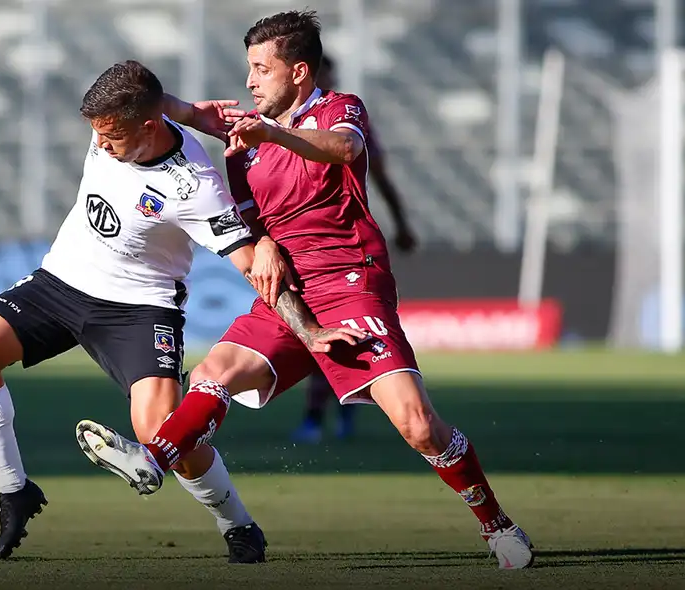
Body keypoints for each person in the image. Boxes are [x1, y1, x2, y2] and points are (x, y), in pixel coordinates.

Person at [73, 11, 534, 570]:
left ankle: (497, 525)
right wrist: (182, 110)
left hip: (351, 284)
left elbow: (342, 150)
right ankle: (151, 458)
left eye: (260, 69)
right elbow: (171, 110)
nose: (249, 82)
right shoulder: (242, 145)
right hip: (287, 294)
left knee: (417, 425)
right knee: (211, 374)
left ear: (297, 71)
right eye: (248, 69)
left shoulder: (340, 109)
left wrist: (273, 132)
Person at [0, 60, 358, 562]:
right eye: (96, 134)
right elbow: (150, 93)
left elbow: (251, 264)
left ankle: (238, 525)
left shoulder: (194, 185)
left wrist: (309, 329)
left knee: (161, 435)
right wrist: (190, 110)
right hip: (61, 282)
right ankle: (15, 491)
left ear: (146, 127)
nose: (100, 145)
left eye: (112, 137)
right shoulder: (122, 116)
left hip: (140, 308)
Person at [293, 53, 418, 445]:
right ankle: (321, 415)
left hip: (346, 250)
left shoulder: (346, 118)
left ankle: (336, 413)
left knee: (345, 333)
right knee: (315, 337)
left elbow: (378, 174)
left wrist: (400, 224)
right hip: (302, 250)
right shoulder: (285, 124)